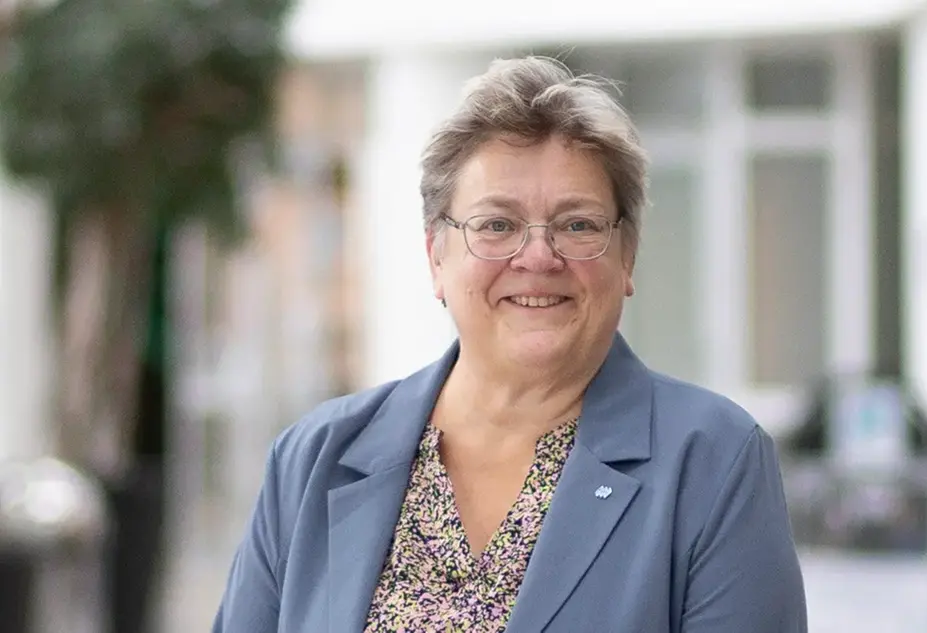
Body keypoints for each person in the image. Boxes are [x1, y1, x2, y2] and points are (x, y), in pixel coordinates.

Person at [212, 56, 808, 633]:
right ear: (436, 259)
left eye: (578, 224)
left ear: (627, 256)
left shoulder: (714, 462)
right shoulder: (311, 461)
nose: (539, 257)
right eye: (497, 224)